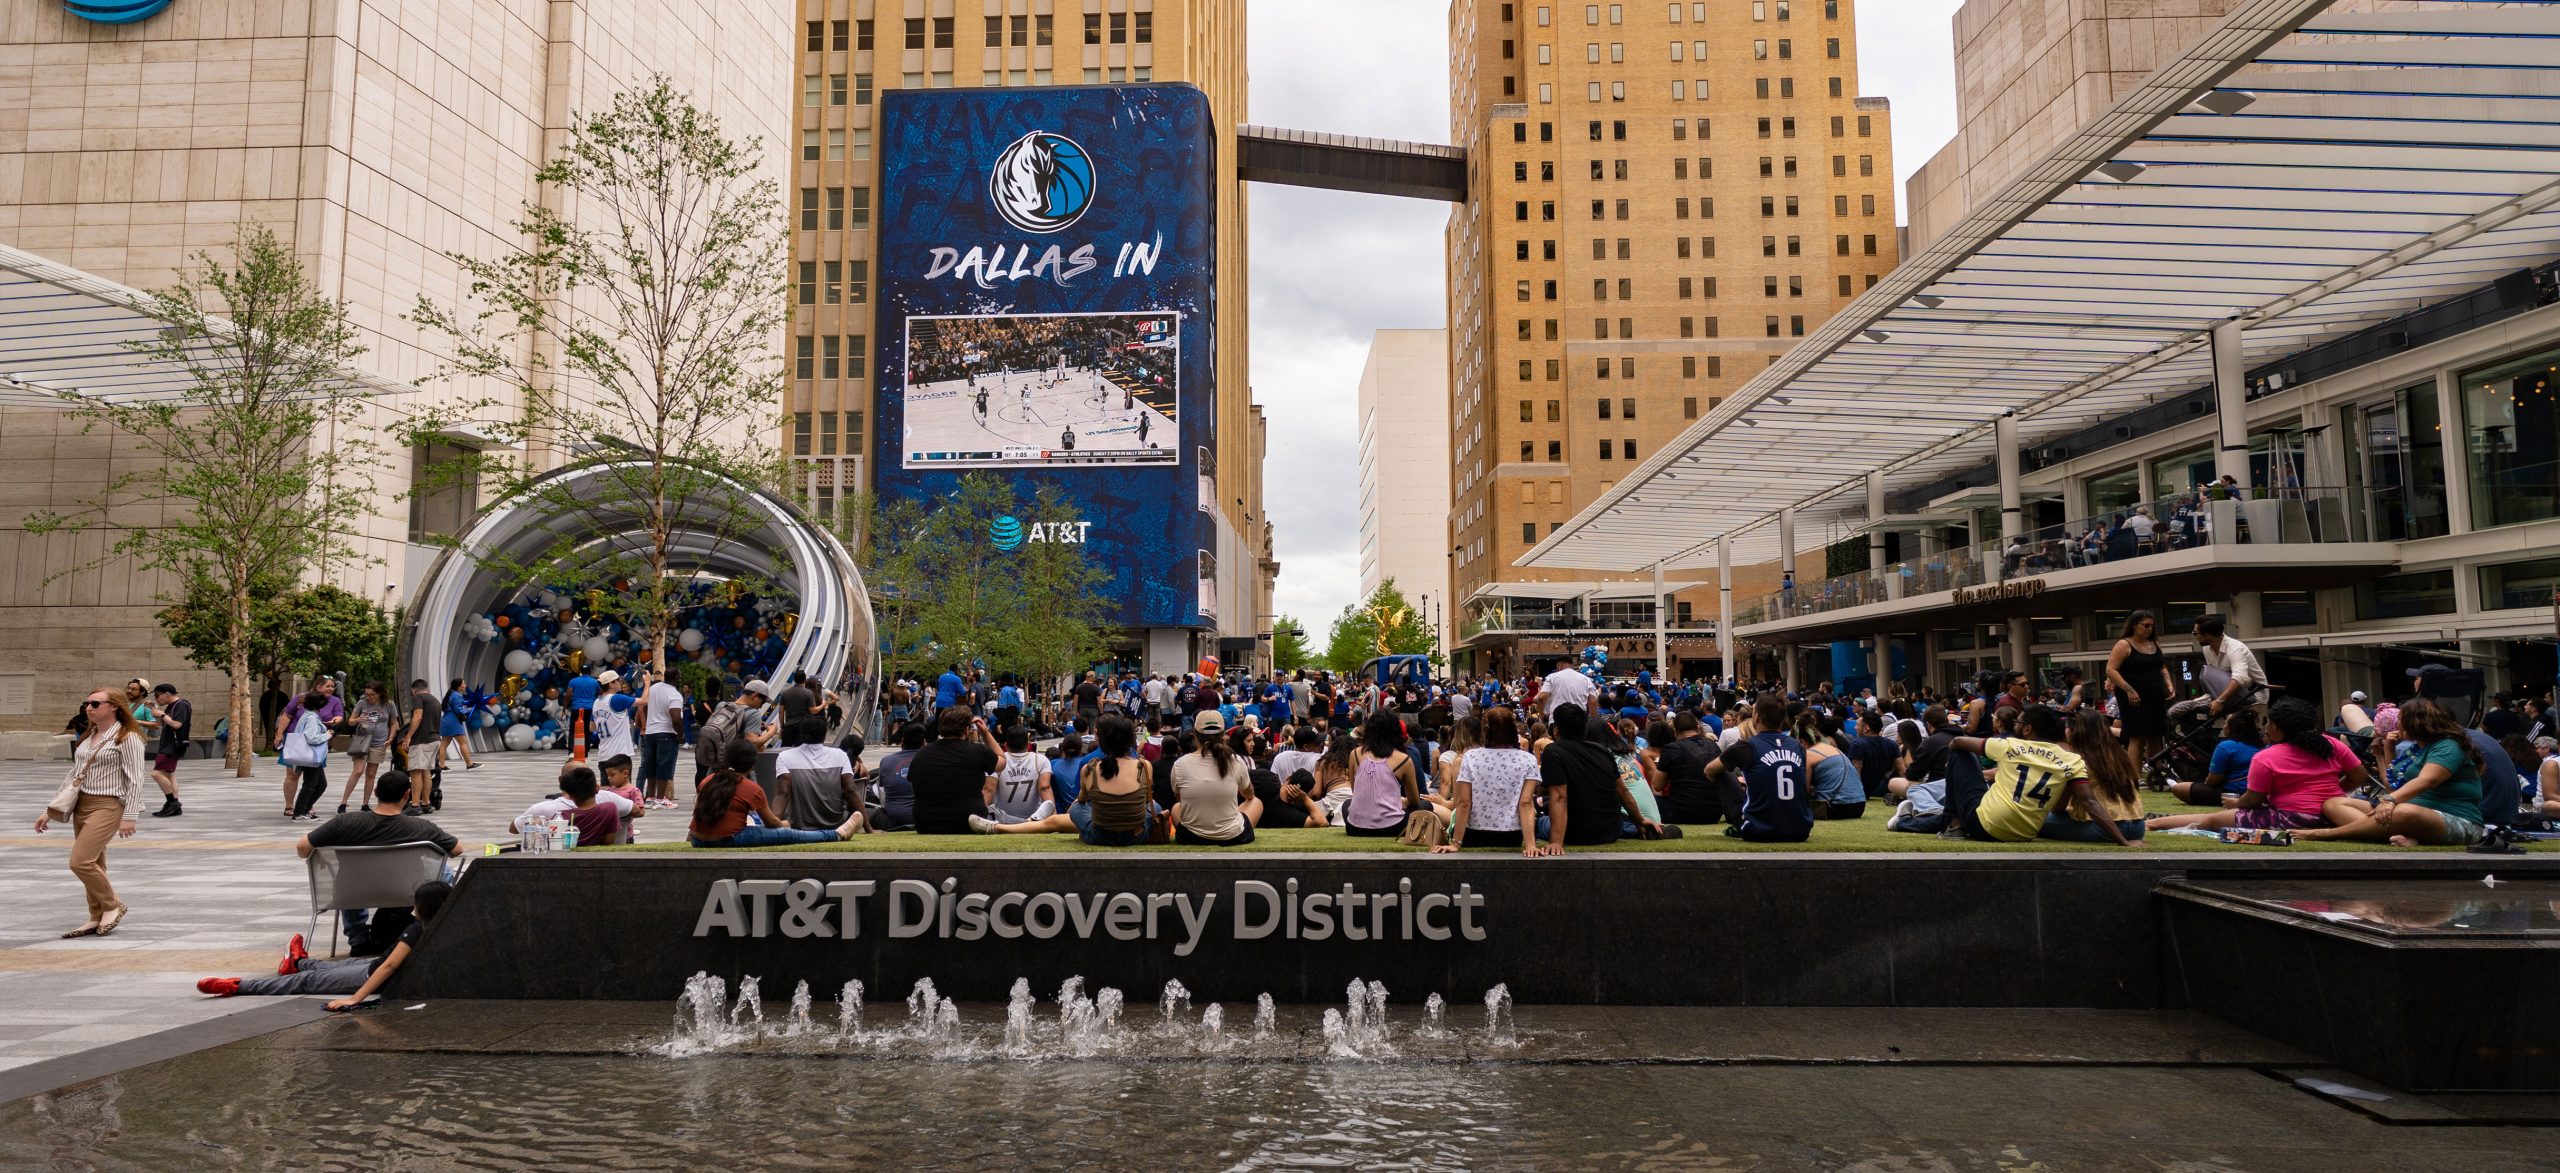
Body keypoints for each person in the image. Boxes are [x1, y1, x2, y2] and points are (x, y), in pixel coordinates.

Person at [198, 880, 452, 1009]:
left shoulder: (416, 930)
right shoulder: (449, 927)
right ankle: (298, 962)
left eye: (415, 903)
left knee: (307, 982)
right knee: (330, 968)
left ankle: (237, 986)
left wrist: (354, 1000)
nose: (411, 907)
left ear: (423, 907)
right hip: (371, 966)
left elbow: (388, 967)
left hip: (371, 974)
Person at [2151, 698, 2370, 836]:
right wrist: (2335, 792)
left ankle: (2152, 824)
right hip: (2331, 814)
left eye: (2269, 723)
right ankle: (2153, 823)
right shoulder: (2330, 743)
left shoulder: (2266, 756)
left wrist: (2236, 802)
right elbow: (2359, 776)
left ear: (2276, 726)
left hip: (2290, 817)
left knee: (2212, 820)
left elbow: (2252, 801)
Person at [34, 687, 151, 938]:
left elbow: (136, 779)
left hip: (108, 804)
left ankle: (112, 905)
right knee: (95, 862)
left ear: (115, 707)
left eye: (96, 704)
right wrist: (50, 810)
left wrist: (130, 816)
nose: (89, 707)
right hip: (82, 805)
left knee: (80, 861)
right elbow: (74, 775)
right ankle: (95, 916)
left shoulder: (127, 736)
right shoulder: (91, 735)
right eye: (87, 703)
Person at [303, 774, 462, 951]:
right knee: (444, 870)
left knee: (353, 877)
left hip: (352, 893)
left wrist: (321, 856)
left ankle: (358, 939)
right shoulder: (421, 827)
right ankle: (429, 925)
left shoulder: (343, 823)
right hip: (403, 891)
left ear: (376, 792)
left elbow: (302, 847)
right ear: (407, 795)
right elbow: (457, 850)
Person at [1937, 704, 2134, 846]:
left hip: (1983, 826)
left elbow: (1959, 742)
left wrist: (1951, 765)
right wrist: (2123, 841)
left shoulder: (2009, 745)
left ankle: (1953, 824)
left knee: (1960, 753)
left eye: (2018, 721)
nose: (2015, 724)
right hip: (2024, 833)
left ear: (2028, 728)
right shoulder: (2072, 760)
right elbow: (2090, 801)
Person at [2301, 697, 2486, 846]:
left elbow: (2428, 780)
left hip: (2456, 820)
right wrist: (2385, 751)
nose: (2397, 725)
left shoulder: (2447, 745)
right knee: (2334, 803)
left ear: (2414, 723)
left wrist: (2389, 801)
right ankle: (2394, 834)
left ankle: (2326, 834)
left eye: (2400, 720)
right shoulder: (2417, 748)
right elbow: (2393, 785)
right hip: (2409, 811)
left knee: (2403, 812)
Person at [974, 715, 1159, 844]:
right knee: (1155, 807)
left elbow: (1082, 801)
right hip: (1136, 835)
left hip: (1100, 835)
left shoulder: (1091, 768)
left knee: (1077, 807)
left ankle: (1000, 828)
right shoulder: (1144, 766)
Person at [688, 741, 863, 847]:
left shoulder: (708, 780)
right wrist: (786, 823)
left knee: (754, 819)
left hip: (699, 839)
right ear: (751, 766)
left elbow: (698, 813)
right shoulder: (750, 788)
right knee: (788, 834)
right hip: (728, 839)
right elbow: (772, 824)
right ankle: (836, 834)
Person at [1703, 695, 1813, 842]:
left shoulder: (1747, 746)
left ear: (1756, 718)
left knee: (1721, 773)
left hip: (1759, 829)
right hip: (1800, 829)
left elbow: (1709, 770)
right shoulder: (1797, 746)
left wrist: (1737, 784)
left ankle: (1728, 817)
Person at [1431, 705, 1539, 852]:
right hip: (1511, 836)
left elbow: (1464, 803)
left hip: (1474, 834)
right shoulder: (1528, 760)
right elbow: (1526, 804)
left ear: (1485, 731)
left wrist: (1455, 844)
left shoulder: (1471, 757)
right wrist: (1530, 845)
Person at [1527, 703, 1628, 854]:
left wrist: (1556, 842)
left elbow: (1560, 797)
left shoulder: (1553, 752)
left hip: (1575, 831)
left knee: (1534, 822)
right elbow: (1622, 790)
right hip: (1611, 830)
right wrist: (1640, 821)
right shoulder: (1602, 750)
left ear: (1556, 730)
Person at [2042, 709, 2148, 842]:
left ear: (2073, 731)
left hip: (2104, 828)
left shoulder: (2076, 760)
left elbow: (2060, 808)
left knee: (2034, 820)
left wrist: (2122, 841)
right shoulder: (2120, 755)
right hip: (2138, 826)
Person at [2103, 610, 2174, 785]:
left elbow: (2161, 667)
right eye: (2145, 626)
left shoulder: (2154, 643)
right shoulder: (2124, 644)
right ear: (2134, 625)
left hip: (2155, 693)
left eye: (2151, 626)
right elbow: (2111, 670)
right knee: (2137, 735)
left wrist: (2169, 683)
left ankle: (2157, 772)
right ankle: (2135, 776)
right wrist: (2129, 690)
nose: (2149, 629)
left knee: (2156, 734)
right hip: (2133, 696)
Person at [1168, 711, 1259, 845]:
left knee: (1176, 807)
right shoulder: (1236, 761)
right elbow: (1249, 794)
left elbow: (1181, 799)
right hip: (1232, 835)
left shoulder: (1180, 764)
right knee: (1256, 802)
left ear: (1195, 735)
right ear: (1223, 735)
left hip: (1191, 836)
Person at [906, 706, 1001, 834]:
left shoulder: (922, 753)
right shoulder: (978, 751)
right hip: (969, 821)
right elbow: (1002, 761)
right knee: (1013, 819)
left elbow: (914, 786)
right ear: (967, 729)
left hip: (926, 824)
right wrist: (985, 733)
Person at [509, 764, 637, 845]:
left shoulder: (558, 817)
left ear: (568, 792)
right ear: (597, 788)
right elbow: (609, 843)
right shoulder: (609, 808)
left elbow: (513, 828)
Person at [1344, 710, 1422, 837]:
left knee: (1347, 805)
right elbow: (1414, 801)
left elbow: (1355, 791)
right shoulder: (1404, 759)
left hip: (1354, 828)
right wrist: (1400, 802)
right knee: (1425, 806)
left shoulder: (1355, 754)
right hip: (1393, 827)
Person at [2172, 710, 2261, 807]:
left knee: (2179, 788)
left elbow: (2213, 780)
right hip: (2258, 794)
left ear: (2232, 727)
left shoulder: (2227, 746)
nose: (2224, 726)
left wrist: (2205, 784)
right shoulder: (2262, 746)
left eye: (2225, 723)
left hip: (2233, 793)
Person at [335, 682, 395, 815]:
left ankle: (365, 803)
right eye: (367, 694)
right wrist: (358, 720)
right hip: (362, 740)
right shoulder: (362, 703)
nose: (369, 697)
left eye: (372, 695)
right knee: (357, 771)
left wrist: (390, 738)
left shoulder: (389, 704)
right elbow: (350, 720)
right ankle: (343, 802)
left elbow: (393, 723)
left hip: (379, 742)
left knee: (371, 774)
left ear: (380, 694)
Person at [2194, 615, 2268, 721]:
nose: (2194, 636)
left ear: (2207, 635)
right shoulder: (2207, 648)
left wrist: (2220, 701)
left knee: (2249, 733)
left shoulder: (2235, 648)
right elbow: (2216, 677)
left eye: (2195, 633)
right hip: (2232, 697)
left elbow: (2239, 679)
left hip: (2253, 697)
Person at [1654, 712, 1722, 825]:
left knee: (1649, 800)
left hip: (1680, 812)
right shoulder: (1713, 746)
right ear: (1698, 728)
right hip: (1714, 813)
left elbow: (1657, 785)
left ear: (1675, 731)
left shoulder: (1671, 749)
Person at [280, 690, 336, 821]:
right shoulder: (311, 718)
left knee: (320, 784)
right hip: (310, 755)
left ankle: (304, 809)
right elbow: (312, 738)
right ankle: (300, 812)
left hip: (308, 756)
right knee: (311, 784)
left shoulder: (307, 715)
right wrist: (327, 734)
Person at [1802, 711, 1865, 821]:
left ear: (1802, 742)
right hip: (1859, 805)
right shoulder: (1833, 749)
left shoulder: (1808, 754)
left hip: (1835, 807)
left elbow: (1803, 791)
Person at [638, 667, 687, 809]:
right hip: (666, 733)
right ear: (677, 679)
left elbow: (644, 706)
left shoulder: (654, 688)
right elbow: (676, 718)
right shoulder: (675, 695)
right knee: (664, 766)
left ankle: (650, 797)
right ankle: (660, 799)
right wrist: (680, 735)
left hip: (651, 732)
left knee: (651, 766)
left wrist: (648, 722)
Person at [986, 725, 1054, 823]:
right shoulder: (1041, 760)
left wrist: (979, 815)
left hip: (1003, 818)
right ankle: (1027, 822)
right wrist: (1054, 817)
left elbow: (989, 789)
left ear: (1005, 745)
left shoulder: (997, 760)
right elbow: (1045, 788)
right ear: (1028, 744)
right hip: (1034, 817)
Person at [146, 681, 190, 818]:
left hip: (172, 745)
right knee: (169, 774)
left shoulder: (181, 704)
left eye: (158, 696)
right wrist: (155, 710)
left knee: (156, 773)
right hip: (168, 744)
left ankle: (172, 803)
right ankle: (174, 805)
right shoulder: (171, 706)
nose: (157, 698)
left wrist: (162, 714)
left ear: (167, 694)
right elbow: (161, 724)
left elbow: (177, 724)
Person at [401, 678, 439, 813]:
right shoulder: (434, 700)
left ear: (413, 690)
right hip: (434, 738)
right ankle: (426, 803)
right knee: (426, 771)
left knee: (415, 771)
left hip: (422, 740)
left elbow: (417, 716)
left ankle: (415, 805)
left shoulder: (418, 698)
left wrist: (408, 736)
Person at [592, 670, 637, 764]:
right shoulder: (617, 698)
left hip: (603, 755)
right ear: (611, 684)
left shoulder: (596, 702)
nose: (620, 682)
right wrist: (647, 682)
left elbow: (591, 727)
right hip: (619, 754)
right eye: (618, 680)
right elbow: (645, 700)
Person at [437, 677, 479, 776]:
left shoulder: (451, 694)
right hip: (454, 722)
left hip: (446, 720)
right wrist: (470, 709)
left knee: (444, 744)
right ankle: (469, 764)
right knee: (463, 743)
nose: (465, 685)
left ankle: (441, 765)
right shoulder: (457, 696)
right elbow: (458, 710)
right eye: (463, 684)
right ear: (459, 686)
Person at [1539, 660, 1595, 724]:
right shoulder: (1586, 679)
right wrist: (1593, 722)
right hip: (1579, 721)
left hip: (1557, 721)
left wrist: (1542, 715)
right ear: (1572, 665)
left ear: (1559, 665)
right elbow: (1593, 702)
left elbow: (1541, 697)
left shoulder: (1552, 677)